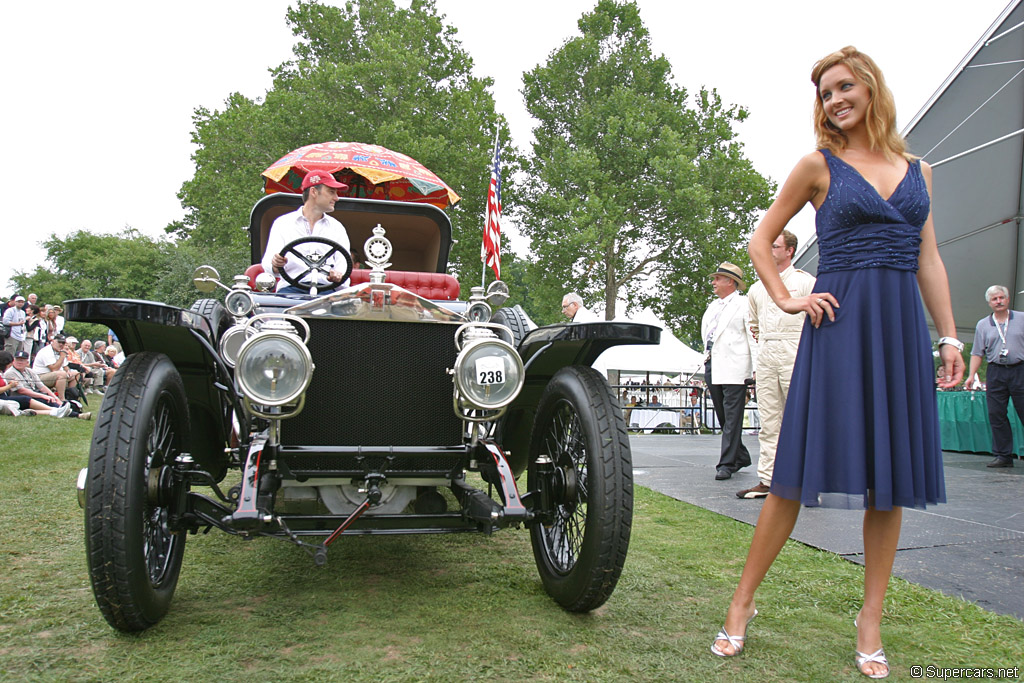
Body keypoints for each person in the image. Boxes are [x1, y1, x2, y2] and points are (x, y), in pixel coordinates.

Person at [711, 47, 963, 680]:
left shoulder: (918, 171)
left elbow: (929, 259)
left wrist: (951, 339)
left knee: (891, 477)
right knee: (793, 472)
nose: (834, 99)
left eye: (844, 86)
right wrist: (786, 295)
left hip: (900, 329)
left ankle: (870, 618)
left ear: (870, 87)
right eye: (825, 92)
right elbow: (760, 238)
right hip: (839, 323)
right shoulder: (817, 165)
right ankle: (741, 604)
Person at [737, 230, 816, 499]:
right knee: (769, 421)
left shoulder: (805, 282)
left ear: (789, 250)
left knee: (802, 417)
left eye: (776, 246)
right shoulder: (758, 288)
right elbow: (754, 325)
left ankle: (808, 481)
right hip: (768, 353)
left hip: (796, 350)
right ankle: (768, 480)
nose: (770, 250)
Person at [701, 262, 753, 481]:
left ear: (730, 282)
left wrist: (756, 368)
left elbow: (752, 335)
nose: (713, 282)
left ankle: (727, 463)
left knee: (732, 416)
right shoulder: (713, 307)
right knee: (723, 415)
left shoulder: (744, 304)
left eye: (717, 279)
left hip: (735, 366)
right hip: (713, 364)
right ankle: (740, 455)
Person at [261, 171, 352, 294]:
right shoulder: (283, 223)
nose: (336, 198)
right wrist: (276, 264)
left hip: (327, 291)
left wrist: (337, 275)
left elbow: (343, 266)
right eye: (331, 192)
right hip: (290, 291)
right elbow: (268, 264)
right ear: (314, 192)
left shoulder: (337, 228)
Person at [966, 285, 1024, 468]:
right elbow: (977, 353)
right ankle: (1003, 456)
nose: (998, 301)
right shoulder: (983, 324)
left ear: (1007, 300)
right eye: (994, 299)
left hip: (1020, 369)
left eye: (1001, 298)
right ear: (989, 303)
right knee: (996, 413)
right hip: (996, 371)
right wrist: (971, 375)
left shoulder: (1021, 319)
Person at [4, 350, 89, 419]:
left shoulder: (29, 371)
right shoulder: (10, 373)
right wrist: (44, 396)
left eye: (22, 360)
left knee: (52, 400)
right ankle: (76, 414)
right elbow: (22, 390)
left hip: (34, 395)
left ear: (27, 361)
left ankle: (72, 411)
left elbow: (42, 386)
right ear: (13, 361)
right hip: (24, 398)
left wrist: (56, 398)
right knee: (48, 401)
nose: (19, 362)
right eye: (17, 359)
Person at [33, 334, 77, 401]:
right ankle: (61, 400)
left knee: (76, 374)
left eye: (63, 343)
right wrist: (62, 356)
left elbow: (65, 366)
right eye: (59, 342)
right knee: (62, 374)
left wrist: (68, 371)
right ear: (53, 341)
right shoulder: (46, 351)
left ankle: (70, 397)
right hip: (40, 377)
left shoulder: (60, 351)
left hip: (52, 375)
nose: (61, 344)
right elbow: (54, 369)